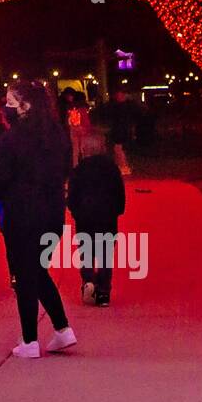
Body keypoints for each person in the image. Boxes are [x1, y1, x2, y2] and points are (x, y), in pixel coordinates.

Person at [0, 80, 77, 358]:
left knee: (24, 275)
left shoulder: (11, 140)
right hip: (52, 213)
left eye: (11, 102)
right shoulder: (56, 135)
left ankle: (29, 339)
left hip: (21, 215)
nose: (6, 108)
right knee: (37, 270)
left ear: (24, 106)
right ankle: (62, 329)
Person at [67, 128, 126, 306]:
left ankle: (88, 280)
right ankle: (103, 293)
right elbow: (119, 193)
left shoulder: (79, 171)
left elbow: (73, 196)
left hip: (85, 219)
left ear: (85, 150)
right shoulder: (112, 169)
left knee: (86, 253)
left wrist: (75, 211)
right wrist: (117, 210)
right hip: (107, 218)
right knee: (105, 256)